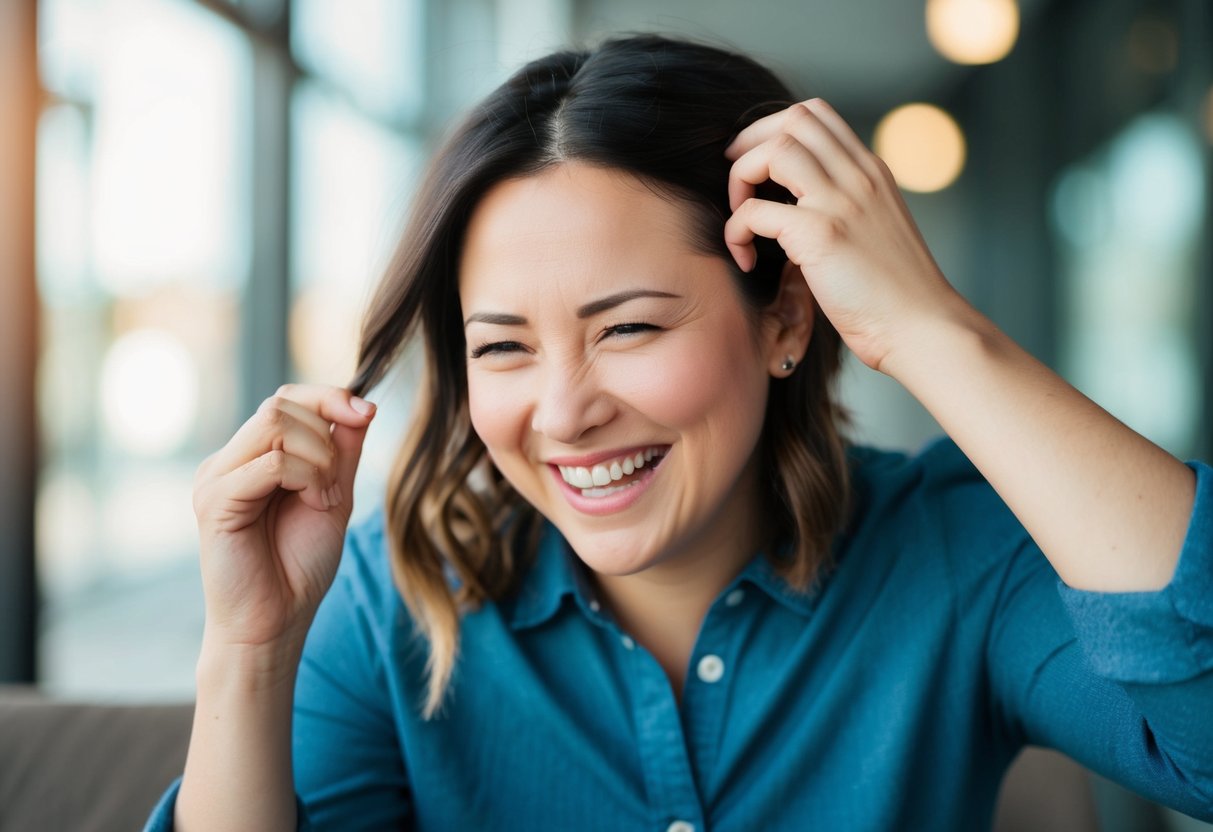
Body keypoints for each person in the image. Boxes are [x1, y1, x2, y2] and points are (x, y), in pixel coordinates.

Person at [146, 34, 1213, 831]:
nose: (563, 412)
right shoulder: (393, 599)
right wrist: (250, 648)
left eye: (630, 327)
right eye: (504, 348)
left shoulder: (948, 556)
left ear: (786, 314)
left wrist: (929, 330)